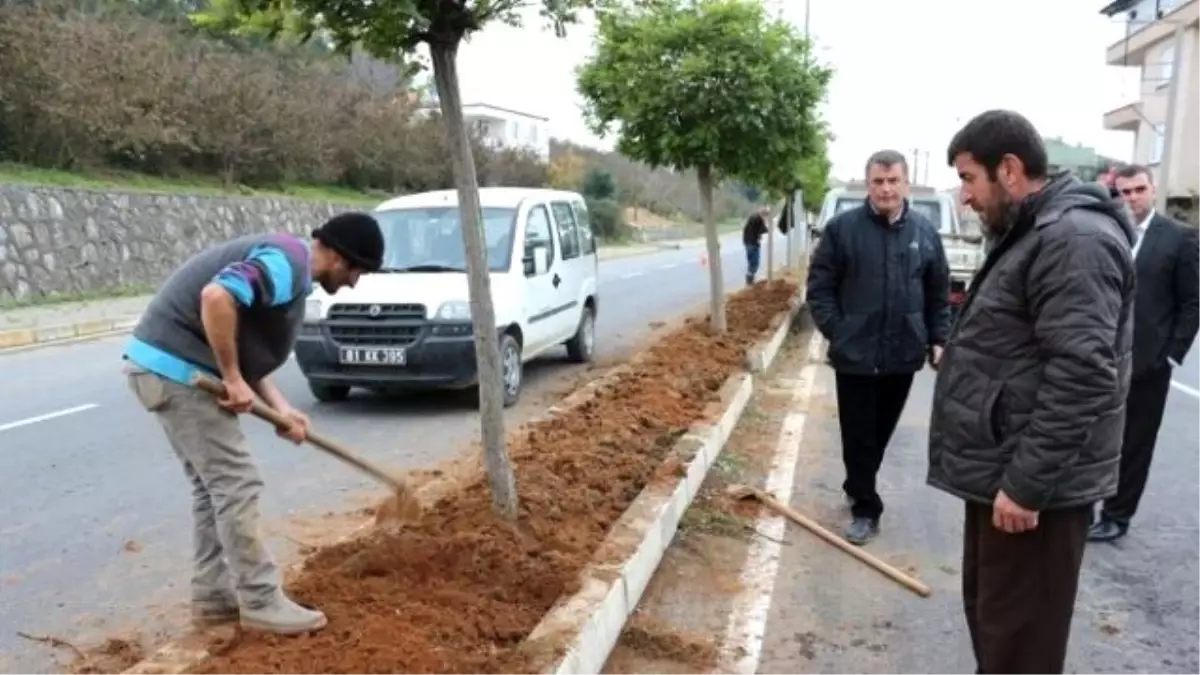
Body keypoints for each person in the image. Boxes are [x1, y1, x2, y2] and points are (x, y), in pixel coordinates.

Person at [929, 110, 1135, 675]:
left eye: (970, 179)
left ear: (1011, 169)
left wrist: (1026, 485)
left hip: (1032, 492)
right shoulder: (1035, 230)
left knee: (1020, 650)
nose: (965, 197)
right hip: (1006, 474)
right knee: (1000, 634)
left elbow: (1083, 373)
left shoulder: (1073, 239)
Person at [122, 213, 384, 634]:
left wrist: (281, 408)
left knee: (214, 491)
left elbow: (243, 347)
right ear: (336, 254)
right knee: (237, 484)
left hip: (160, 369)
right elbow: (216, 297)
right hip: (182, 373)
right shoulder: (286, 263)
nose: (355, 281)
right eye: (357, 270)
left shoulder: (289, 272)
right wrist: (230, 377)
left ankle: (212, 600)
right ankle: (261, 600)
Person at [806, 149, 951, 545]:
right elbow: (819, 289)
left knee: (880, 433)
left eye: (893, 181)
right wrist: (840, 331)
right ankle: (866, 509)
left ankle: (857, 482)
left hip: (902, 355)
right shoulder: (842, 230)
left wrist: (938, 338)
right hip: (855, 355)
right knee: (858, 434)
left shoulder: (924, 232)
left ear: (905, 184)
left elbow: (938, 293)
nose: (885, 189)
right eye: (878, 182)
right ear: (867, 184)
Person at [1089, 164, 1200, 543]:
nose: (1132, 198)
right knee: (1091, 434)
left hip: (1148, 363)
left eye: (1139, 190)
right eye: (1125, 192)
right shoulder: (1107, 231)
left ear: (1153, 190)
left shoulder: (1179, 238)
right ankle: (1084, 506)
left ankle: (1117, 515)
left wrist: (1172, 355)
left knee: (1135, 442)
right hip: (1100, 357)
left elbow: (1192, 302)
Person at [742, 205, 770, 285]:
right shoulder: (758, 219)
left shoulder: (753, 217)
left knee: (751, 262)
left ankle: (750, 279)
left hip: (747, 242)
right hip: (753, 243)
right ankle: (749, 280)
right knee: (755, 263)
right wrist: (767, 223)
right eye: (766, 215)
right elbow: (764, 230)